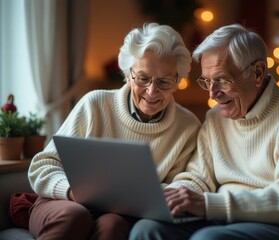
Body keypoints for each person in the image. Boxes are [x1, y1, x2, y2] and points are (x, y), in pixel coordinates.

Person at [129, 23, 279, 240]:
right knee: (148, 229)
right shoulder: (215, 118)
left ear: (258, 72)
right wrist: (174, 195)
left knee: (209, 239)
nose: (213, 93)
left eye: (222, 80)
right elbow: (198, 177)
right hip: (230, 219)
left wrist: (208, 204)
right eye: (207, 81)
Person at [27, 22, 201, 240]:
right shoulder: (95, 104)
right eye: (143, 78)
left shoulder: (187, 126)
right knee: (74, 216)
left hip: (122, 213)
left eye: (164, 81)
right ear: (128, 75)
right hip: (64, 201)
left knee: (113, 226)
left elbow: (184, 183)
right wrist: (73, 192)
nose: (152, 91)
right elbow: (43, 165)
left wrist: (145, 197)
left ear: (177, 81)